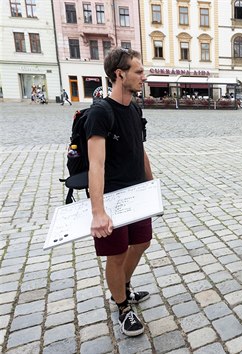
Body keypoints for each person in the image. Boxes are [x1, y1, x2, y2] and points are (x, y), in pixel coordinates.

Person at [84, 47, 153, 337]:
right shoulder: (101, 111)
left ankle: (122, 288)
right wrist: (98, 212)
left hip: (138, 193)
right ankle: (123, 307)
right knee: (116, 254)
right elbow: (95, 165)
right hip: (113, 198)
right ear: (119, 74)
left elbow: (140, 149)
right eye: (138, 71)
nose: (143, 76)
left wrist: (152, 186)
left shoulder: (135, 109)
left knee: (142, 243)